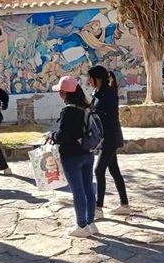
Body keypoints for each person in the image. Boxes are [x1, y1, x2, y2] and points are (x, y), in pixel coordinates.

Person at [47, 76, 98, 237]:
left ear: (64, 93)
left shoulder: (68, 111)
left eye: (60, 91)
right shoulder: (86, 107)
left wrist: (51, 135)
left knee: (77, 191)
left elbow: (62, 136)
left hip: (71, 156)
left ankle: (81, 226)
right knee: (88, 188)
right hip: (87, 153)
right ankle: (90, 222)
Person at [87, 65, 131, 218]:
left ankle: (98, 208)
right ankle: (124, 204)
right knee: (114, 170)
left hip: (111, 137)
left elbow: (111, 117)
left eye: (91, 78)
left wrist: (95, 112)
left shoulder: (109, 94)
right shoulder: (97, 93)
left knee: (99, 170)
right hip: (104, 137)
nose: (89, 81)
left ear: (98, 79)